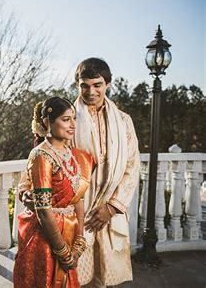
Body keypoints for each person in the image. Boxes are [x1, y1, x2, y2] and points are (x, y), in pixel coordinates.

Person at [20, 58, 140, 287]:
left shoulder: (124, 122)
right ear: (77, 85)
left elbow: (132, 166)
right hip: (74, 214)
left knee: (103, 280)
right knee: (71, 278)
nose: (91, 91)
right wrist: (26, 191)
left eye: (98, 84)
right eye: (85, 85)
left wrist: (112, 207)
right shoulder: (66, 120)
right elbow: (39, 157)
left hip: (108, 211)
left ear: (108, 84)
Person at [13, 96, 95, 288]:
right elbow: (43, 211)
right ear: (47, 122)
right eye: (66, 119)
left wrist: (79, 239)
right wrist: (63, 252)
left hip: (69, 231)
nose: (72, 124)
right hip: (46, 236)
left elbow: (77, 198)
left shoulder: (73, 154)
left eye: (74, 118)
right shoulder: (42, 156)